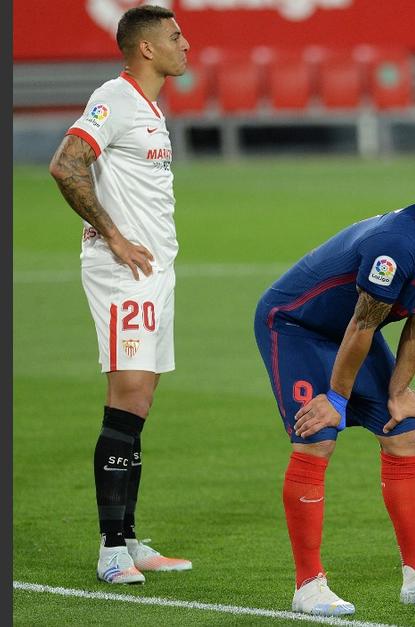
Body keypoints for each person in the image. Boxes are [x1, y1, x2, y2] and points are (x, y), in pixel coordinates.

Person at [254, 168, 415, 617]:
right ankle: (308, 586)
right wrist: (336, 401)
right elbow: (364, 323)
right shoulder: (394, 247)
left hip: (351, 333)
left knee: (404, 427)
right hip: (296, 326)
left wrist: (399, 390)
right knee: (317, 435)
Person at [48, 5, 193, 585]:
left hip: (155, 272)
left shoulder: (151, 108)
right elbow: (66, 165)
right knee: (126, 397)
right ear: (147, 48)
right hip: (123, 273)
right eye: (176, 36)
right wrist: (113, 236)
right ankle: (110, 549)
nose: (186, 44)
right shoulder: (115, 97)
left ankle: (128, 538)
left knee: (139, 403)